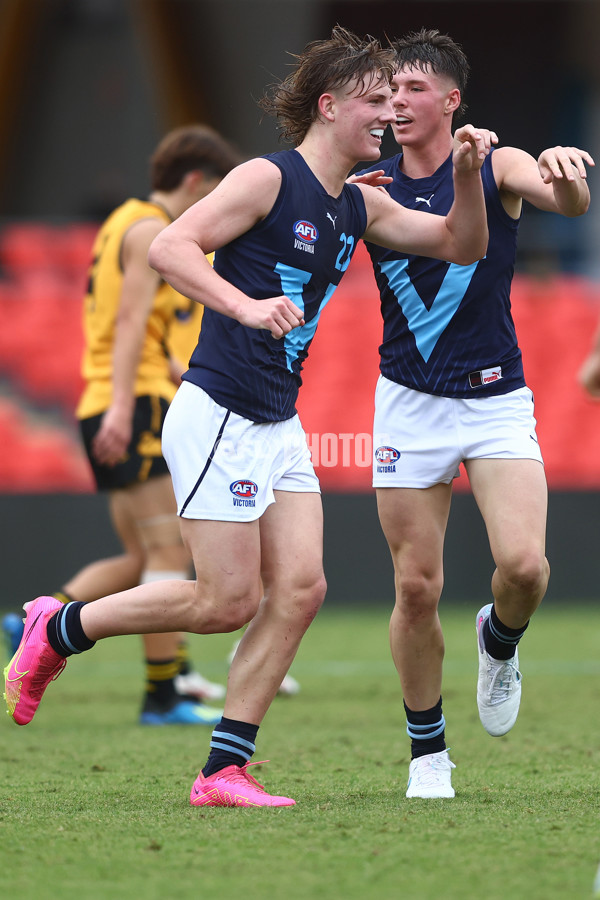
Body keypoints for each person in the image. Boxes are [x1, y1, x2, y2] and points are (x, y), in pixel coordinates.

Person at [4, 25, 491, 808]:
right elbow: (172, 248)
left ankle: (222, 772)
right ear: (329, 108)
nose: (387, 117)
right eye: (373, 103)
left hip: (278, 422)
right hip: (222, 409)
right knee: (223, 603)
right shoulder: (268, 179)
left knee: (300, 589)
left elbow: (461, 246)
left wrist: (468, 172)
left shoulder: (358, 206)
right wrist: (243, 302)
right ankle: (57, 629)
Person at [357, 28, 593, 799]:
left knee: (524, 568)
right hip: (408, 405)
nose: (396, 101)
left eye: (413, 89)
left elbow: (564, 196)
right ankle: (428, 754)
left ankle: (501, 640)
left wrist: (568, 174)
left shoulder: (497, 163)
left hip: (496, 401)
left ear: (452, 99)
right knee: (416, 588)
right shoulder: (369, 185)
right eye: (389, 91)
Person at [4, 125, 243, 724]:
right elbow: (132, 319)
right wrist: (121, 406)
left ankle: (36, 618)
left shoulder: (124, 220)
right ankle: (163, 693)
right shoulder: (151, 230)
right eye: (211, 191)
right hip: (132, 404)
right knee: (169, 549)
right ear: (193, 181)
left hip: (119, 396)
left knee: (141, 554)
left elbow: (132, 319)